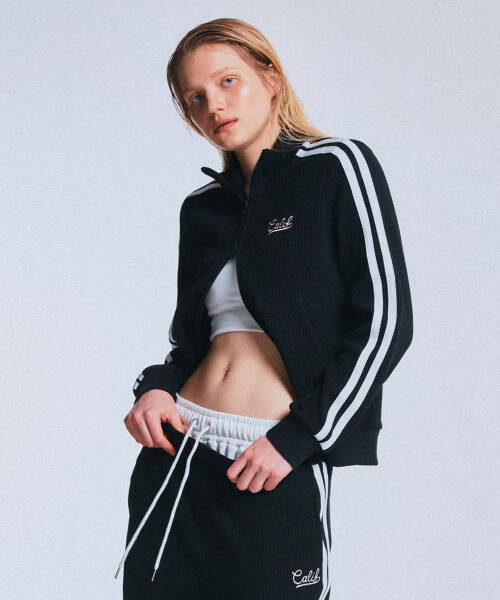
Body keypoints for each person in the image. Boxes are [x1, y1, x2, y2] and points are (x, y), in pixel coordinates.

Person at [115, 17, 413, 600]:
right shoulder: (202, 209)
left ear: (270, 77)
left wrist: (299, 439)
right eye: (195, 97)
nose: (214, 105)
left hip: (269, 457)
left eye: (228, 81)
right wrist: (154, 389)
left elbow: (385, 322)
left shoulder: (336, 167)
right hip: (176, 453)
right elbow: (190, 344)